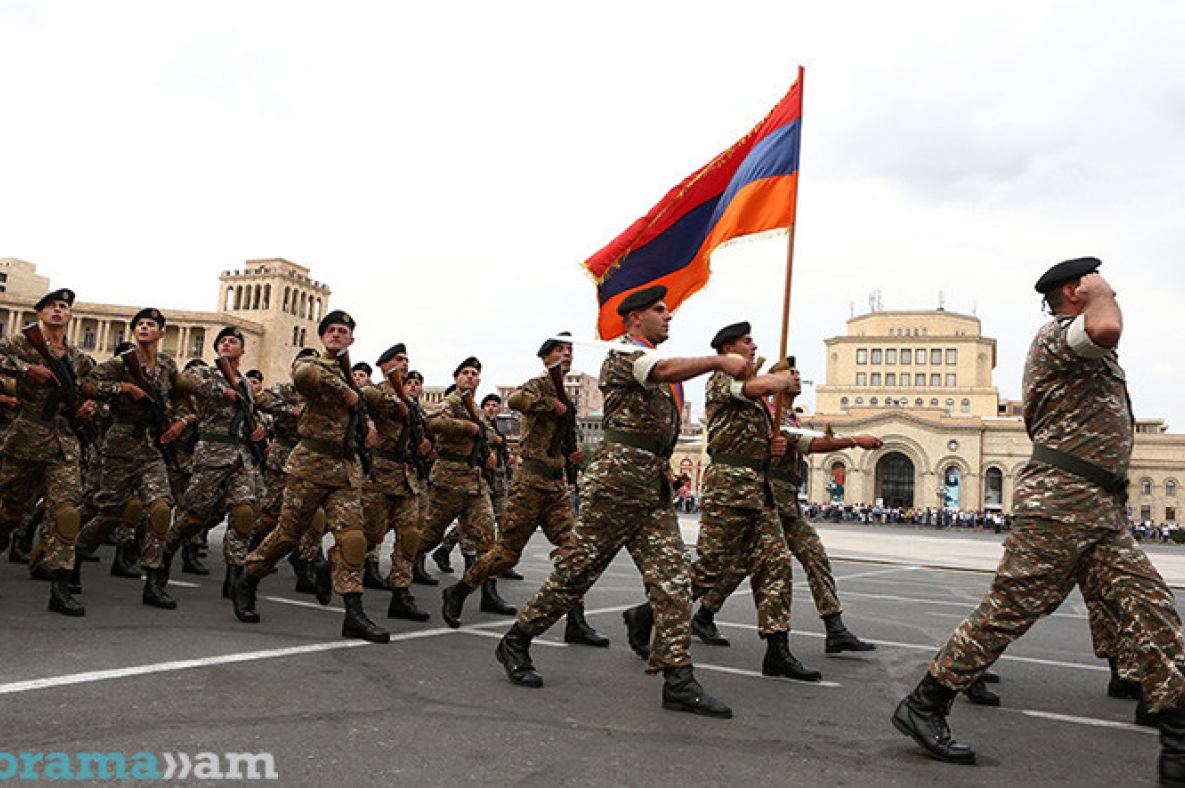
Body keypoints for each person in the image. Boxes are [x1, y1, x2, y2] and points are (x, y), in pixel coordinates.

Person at [891, 257, 1185, 784]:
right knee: (1010, 610)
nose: (1106, 285)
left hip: (1098, 510)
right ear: (1075, 289)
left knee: (1153, 608)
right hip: (1059, 505)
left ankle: (1177, 743)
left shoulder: (1082, 342)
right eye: (1093, 280)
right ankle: (926, 702)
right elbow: (1107, 324)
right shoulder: (1060, 336)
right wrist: (1102, 291)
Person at [493, 285, 751, 718]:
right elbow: (664, 369)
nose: (668, 316)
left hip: (650, 488)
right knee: (574, 575)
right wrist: (718, 361)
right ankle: (516, 640)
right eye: (659, 310)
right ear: (634, 319)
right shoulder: (624, 354)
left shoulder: (644, 354)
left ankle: (678, 679)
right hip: (614, 486)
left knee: (673, 582)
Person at [690, 354, 882, 658]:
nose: (796, 376)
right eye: (790, 372)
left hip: (787, 503)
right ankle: (693, 614)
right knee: (736, 564)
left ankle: (835, 629)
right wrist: (854, 440)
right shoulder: (769, 414)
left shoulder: (791, 417)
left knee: (814, 557)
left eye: (797, 371)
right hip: (766, 500)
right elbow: (809, 443)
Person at [439, 333, 607, 646]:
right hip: (530, 483)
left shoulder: (568, 397)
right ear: (545, 358)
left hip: (556, 485)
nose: (566, 354)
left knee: (575, 553)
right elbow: (515, 400)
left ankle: (576, 620)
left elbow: (563, 434)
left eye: (570, 350)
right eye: (559, 350)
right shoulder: (539, 385)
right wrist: (549, 405)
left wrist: (574, 454)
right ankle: (459, 590)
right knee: (506, 554)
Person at [235, 310, 389, 643]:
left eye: (343, 331)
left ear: (351, 339)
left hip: (345, 470)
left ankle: (354, 614)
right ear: (322, 337)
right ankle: (248, 577)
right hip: (310, 465)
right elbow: (304, 376)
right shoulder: (314, 366)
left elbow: (359, 414)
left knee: (353, 539)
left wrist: (369, 426)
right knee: (288, 535)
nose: (337, 334)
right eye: (331, 330)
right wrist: (343, 390)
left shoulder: (355, 379)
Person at [76, 308, 192, 608]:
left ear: (161, 333)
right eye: (139, 324)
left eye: (150, 324)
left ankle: (153, 580)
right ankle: (74, 555)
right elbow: (87, 385)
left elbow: (180, 400)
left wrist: (180, 422)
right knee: (109, 513)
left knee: (161, 508)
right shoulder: (120, 362)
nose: (144, 327)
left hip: (152, 445)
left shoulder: (167, 365)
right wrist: (123, 388)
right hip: (121, 442)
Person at [0, 288, 97, 615]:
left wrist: (88, 407)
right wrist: (25, 368)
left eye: (63, 306)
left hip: (64, 441)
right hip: (27, 436)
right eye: (51, 306)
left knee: (66, 512)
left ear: (70, 316)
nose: (58, 310)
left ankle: (60, 587)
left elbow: (91, 390)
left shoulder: (79, 359)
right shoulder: (20, 344)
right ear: (39, 313)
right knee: (10, 510)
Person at [162, 326, 267, 599]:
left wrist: (260, 427)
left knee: (244, 513)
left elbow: (253, 414)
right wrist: (223, 391)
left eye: (233, 341)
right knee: (195, 514)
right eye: (222, 341)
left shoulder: (245, 383)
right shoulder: (204, 373)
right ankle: (167, 548)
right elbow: (184, 382)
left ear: (242, 350)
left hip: (241, 457)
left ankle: (234, 576)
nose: (227, 344)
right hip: (212, 453)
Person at [413, 357, 515, 617]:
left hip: (474, 483)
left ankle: (489, 594)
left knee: (487, 541)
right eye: (465, 373)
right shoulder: (450, 403)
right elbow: (432, 423)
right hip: (448, 481)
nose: (470, 377)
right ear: (456, 378)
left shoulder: (478, 410)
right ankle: (400, 572)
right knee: (428, 537)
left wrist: (487, 443)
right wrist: (466, 427)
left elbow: (487, 433)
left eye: (474, 373)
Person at [360, 343, 432, 622]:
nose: (404, 364)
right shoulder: (378, 392)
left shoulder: (413, 405)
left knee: (409, 536)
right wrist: (391, 407)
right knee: (369, 535)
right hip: (379, 475)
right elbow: (362, 398)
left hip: (406, 477)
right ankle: (329, 567)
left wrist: (424, 445)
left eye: (406, 360)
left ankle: (401, 593)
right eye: (398, 360)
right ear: (385, 365)